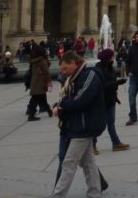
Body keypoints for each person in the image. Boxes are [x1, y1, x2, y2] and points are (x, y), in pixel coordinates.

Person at [51, 52, 107, 198]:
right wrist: (60, 104)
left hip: (85, 125)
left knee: (69, 162)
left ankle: (58, 195)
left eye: (64, 69)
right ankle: (95, 192)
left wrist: (61, 105)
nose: (62, 73)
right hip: (78, 124)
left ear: (74, 63)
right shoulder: (74, 78)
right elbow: (71, 99)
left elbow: (81, 100)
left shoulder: (89, 75)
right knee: (88, 163)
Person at [94, 49, 130, 153]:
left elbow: (111, 81)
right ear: (107, 58)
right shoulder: (99, 69)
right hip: (102, 100)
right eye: (112, 57)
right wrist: (117, 83)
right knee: (98, 124)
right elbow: (102, 86)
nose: (113, 59)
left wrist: (118, 82)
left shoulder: (109, 67)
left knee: (111, 123)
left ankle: (116, 143)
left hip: (111, 99)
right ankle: (92, 145)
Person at [27, 45, 52, 121]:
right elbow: (46, 72)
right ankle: (31, 115)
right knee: (36, 99)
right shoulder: (42, 61)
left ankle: (49, 111)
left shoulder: (34, 61)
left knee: (41, 98)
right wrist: (49, 81)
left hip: (35, 82)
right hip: (41, 82)